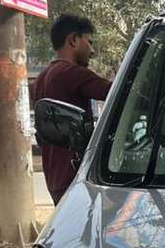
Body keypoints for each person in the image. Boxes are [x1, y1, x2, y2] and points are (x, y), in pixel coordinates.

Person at [31, 13, 112, 204]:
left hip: (53, 176)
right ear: (73, 40)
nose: (92, 50)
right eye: (89, 42)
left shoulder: (41, 79)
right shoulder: (72, 74)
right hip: (75, 177)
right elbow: (116, 94)